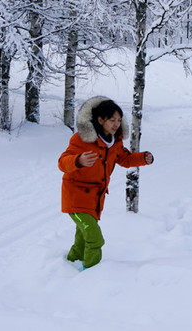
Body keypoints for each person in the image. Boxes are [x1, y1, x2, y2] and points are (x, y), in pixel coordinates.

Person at [58, 96, 154, 269]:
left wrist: (143, 158)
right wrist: (78, 160)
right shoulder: (81, 139)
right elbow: (62, 162)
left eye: (119, 120)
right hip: (76, 200)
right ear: (100, 120)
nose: (116, 124)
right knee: (95, 238)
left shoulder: (114, 142)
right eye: (112, 120)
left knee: (82, 237)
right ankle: (91, 274)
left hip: (94, 200)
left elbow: (124, 158)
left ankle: (68, 265)